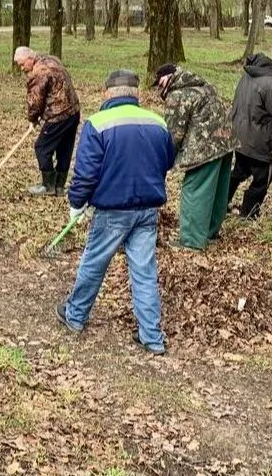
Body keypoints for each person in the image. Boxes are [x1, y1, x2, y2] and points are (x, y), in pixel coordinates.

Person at [56, 69, 176, 355]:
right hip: (148, 211)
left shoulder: (97, 124)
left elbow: (85, 173)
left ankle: (75, 316)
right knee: (145, 272)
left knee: (94, 264)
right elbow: (168, 160)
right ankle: (151, 336)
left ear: (107, 94)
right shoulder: (158, 122)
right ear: (137, 95)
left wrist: (76, 204)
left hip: (112, 211)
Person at [155, 63, 238, 250]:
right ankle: (209, 234)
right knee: (217, 190)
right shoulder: (204, 85)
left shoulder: (177, 96)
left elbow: (173, 135)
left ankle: (192, 241)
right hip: (225, 143)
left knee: (195, 190)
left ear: (170, 77)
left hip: (203, 148)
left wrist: (164, 162)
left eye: (160, 82)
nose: (160, 88)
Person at [228, 43, 272, 219]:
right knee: (261, 180)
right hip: (262, 143)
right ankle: (249, 213)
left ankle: (221, 202)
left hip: (241, 136)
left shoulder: (250, 73)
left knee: (238, 172)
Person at [13, 46, 81, 196]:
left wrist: (32, 118)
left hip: (58, 115)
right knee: (65, 148)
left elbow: (35, 101)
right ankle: (59, 187)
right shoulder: (52, 59)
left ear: (30, 59)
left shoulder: (38, 73)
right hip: (74, 112)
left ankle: (48, 186)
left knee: (42, 147)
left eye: (22, 64)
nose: (22, 68)